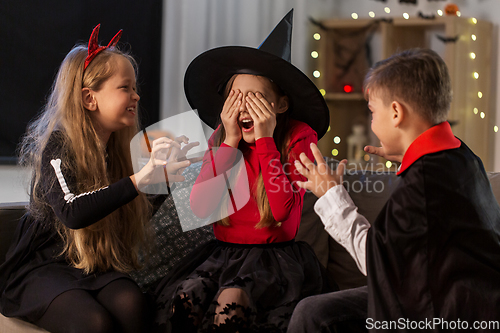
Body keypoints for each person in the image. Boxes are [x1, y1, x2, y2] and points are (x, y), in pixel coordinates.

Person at [288, 48, 500, 332]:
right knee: (313, 311)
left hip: (442, 310)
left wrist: (330, 195)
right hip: (473, 298)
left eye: (373, 112)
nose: (372, 123)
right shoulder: (462, 156)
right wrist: (410, 153)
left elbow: (377, 262)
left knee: (311, 315)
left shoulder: (421, 188)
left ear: (396, 112)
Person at [0, 25, 192, 333]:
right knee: (95, 322)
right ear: (90, 99)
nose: (136, 95)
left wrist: (164, 180)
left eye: (135, 87)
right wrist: (141, 179)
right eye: (125, 88)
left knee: (133, 304)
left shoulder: (120, 150)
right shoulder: (59, 145)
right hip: (42, 266)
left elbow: (127, 207)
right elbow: (72, 211)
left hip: (90, 266)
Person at [153, 9, 332, 332]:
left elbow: (280, 212)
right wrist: (230, 142)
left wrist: (265, 141)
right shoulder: (223, 139)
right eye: (237, 99)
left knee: (231, 300)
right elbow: (201, 209)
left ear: (280, 104)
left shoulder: (299, 138)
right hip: (223, 256)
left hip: (274, 261)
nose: (246, 109)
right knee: (186, 296)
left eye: (257, 98)